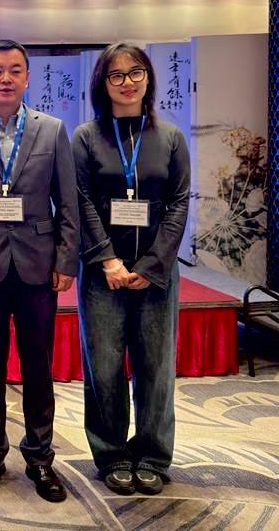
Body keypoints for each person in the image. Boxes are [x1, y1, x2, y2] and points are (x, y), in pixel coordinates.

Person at [0, 39, 79, 503]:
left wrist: (66, 260)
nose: (6, 78)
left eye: (15, 70)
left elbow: (68, 201)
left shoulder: (52, 130)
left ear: (27, 78)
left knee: (38, 366)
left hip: (38, 266)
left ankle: (40, 458)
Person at [71, 42, 189, 497]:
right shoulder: (86, 137)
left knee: (156, 368)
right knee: (103, 368)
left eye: (135, 72)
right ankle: (111, 454)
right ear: (102, 83)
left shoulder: (171, 138)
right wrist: (108, 259)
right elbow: (80, 200)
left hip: (156, 275)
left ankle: (153, 455)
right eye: (116, 75)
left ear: (148, 78)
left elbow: (179, 203)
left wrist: (153, 264)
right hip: (102, 274)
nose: (127, 82)